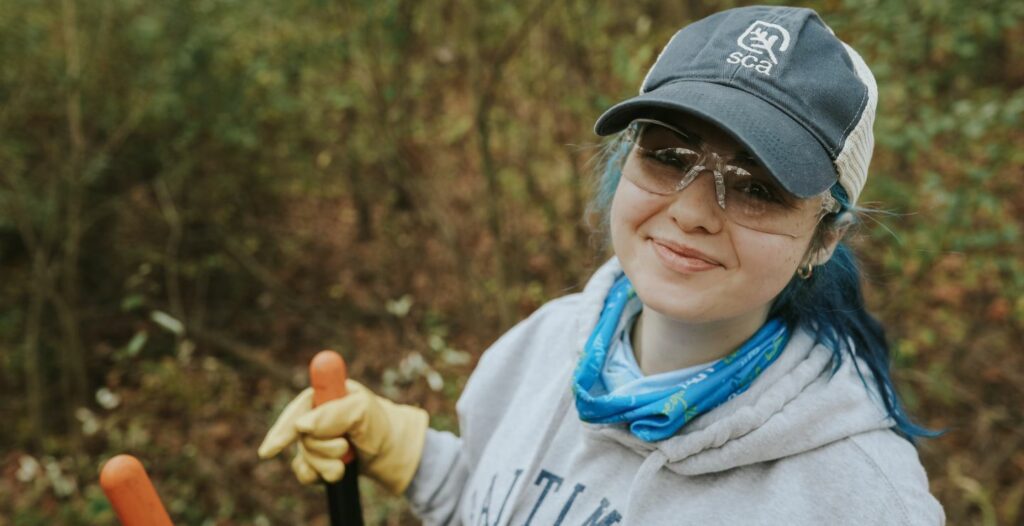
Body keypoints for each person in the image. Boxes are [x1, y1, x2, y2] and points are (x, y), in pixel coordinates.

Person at [258, 5, 944, 525]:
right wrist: (418, 460)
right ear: (626, 161)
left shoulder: (860, 498)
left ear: (823, 239)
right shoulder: (546, 343)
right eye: (669, 157)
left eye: (760, 188)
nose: (693, 212)